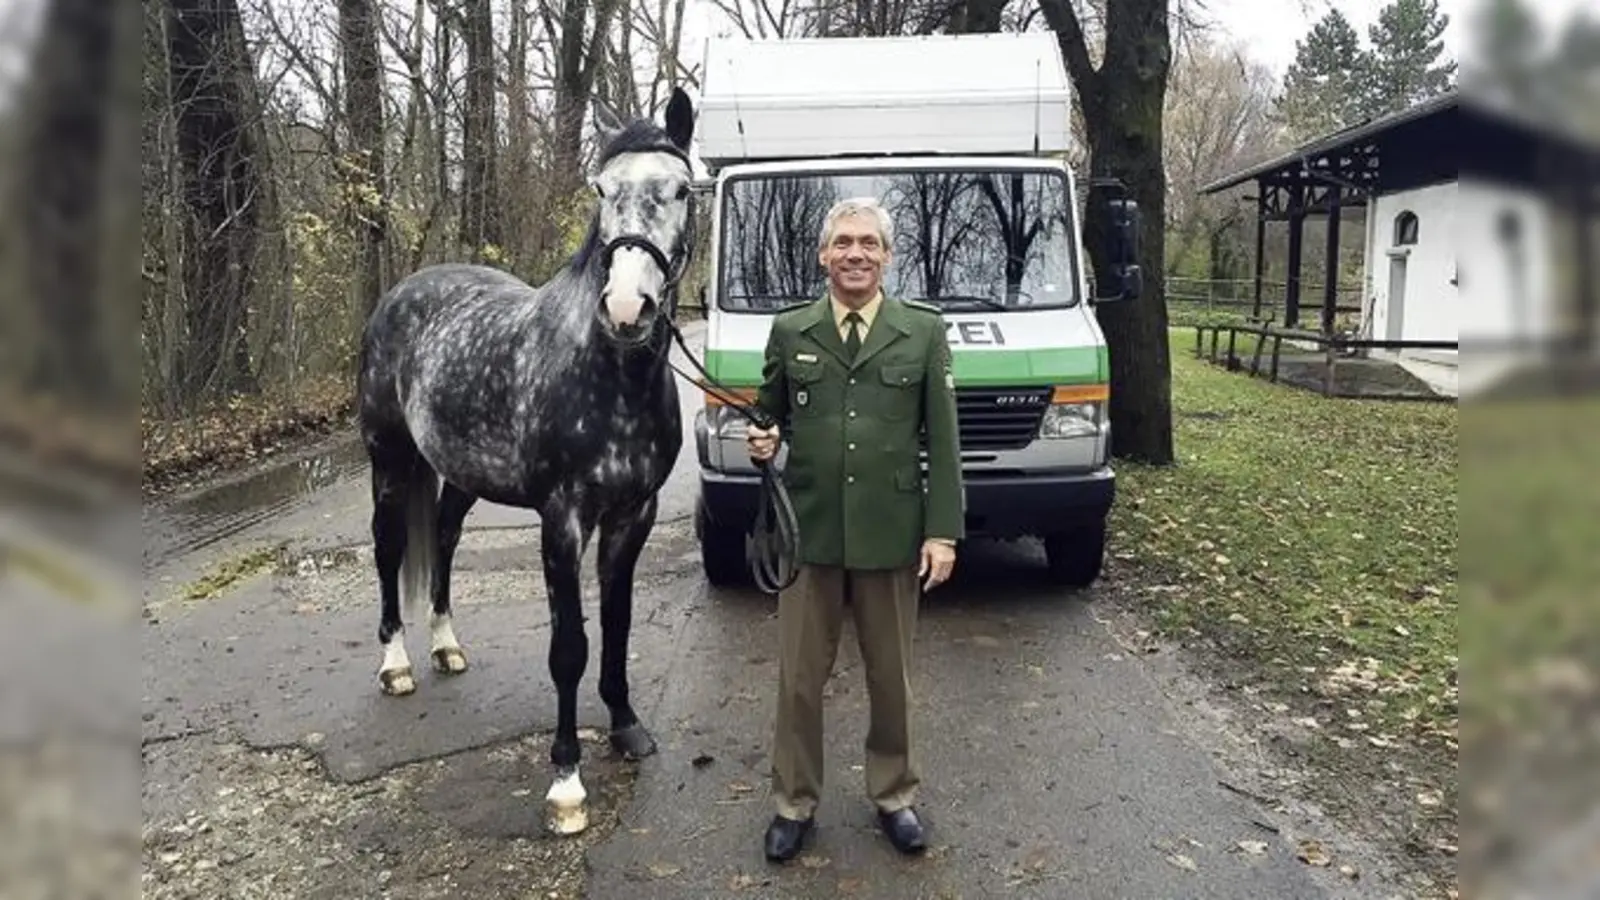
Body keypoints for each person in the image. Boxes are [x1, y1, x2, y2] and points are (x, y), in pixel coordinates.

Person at [746, 196, 964, 863]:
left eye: (869, 243)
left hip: (891, 531)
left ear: (888, 256)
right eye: (843, 242)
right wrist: (762, 437)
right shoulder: (791, 331)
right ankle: (793, 803)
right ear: (823, 254)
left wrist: (942, 532)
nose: (856, 254)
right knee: (799, 681)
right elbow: (767, 409)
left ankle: (894, 794)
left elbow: (944, 441)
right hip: (808, 534)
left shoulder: (922, 332)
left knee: (890, 676)